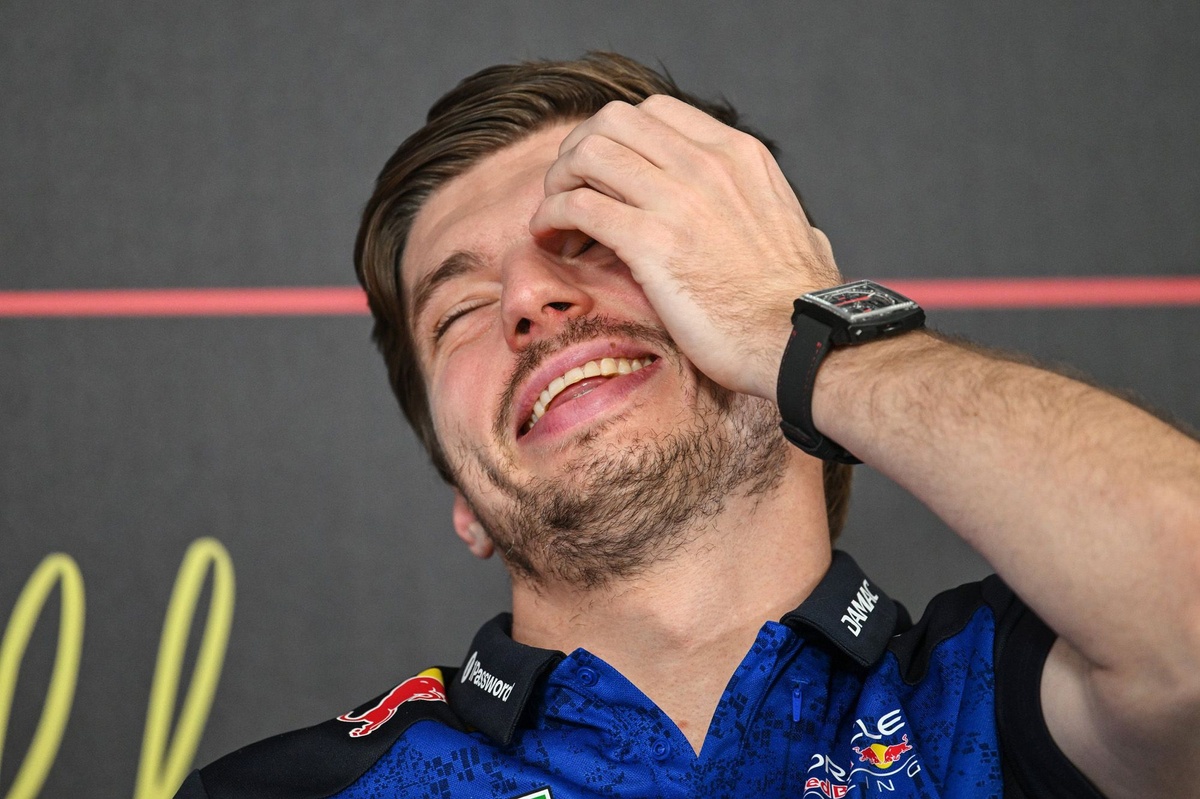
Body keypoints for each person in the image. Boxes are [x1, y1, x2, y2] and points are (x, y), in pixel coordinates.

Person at [176, 52, 1200, 799]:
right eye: (458, 311)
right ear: (463, 498)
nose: (527, 299)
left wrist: (807, 329)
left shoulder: (993, 695)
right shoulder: (294, 789)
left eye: (594, 242)